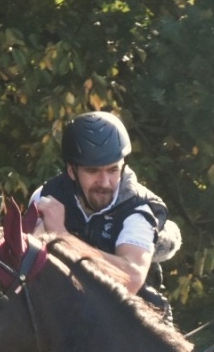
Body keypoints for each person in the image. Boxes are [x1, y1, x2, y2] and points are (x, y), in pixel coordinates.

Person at [30, 111, 179, 313]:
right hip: (63, 314)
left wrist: (62, 237)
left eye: (112, 170)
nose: (105, 182)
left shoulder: (137, 209)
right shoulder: (46, 197)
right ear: (72, 171)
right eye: (92, 171)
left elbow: (131, 279)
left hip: (130, 321)